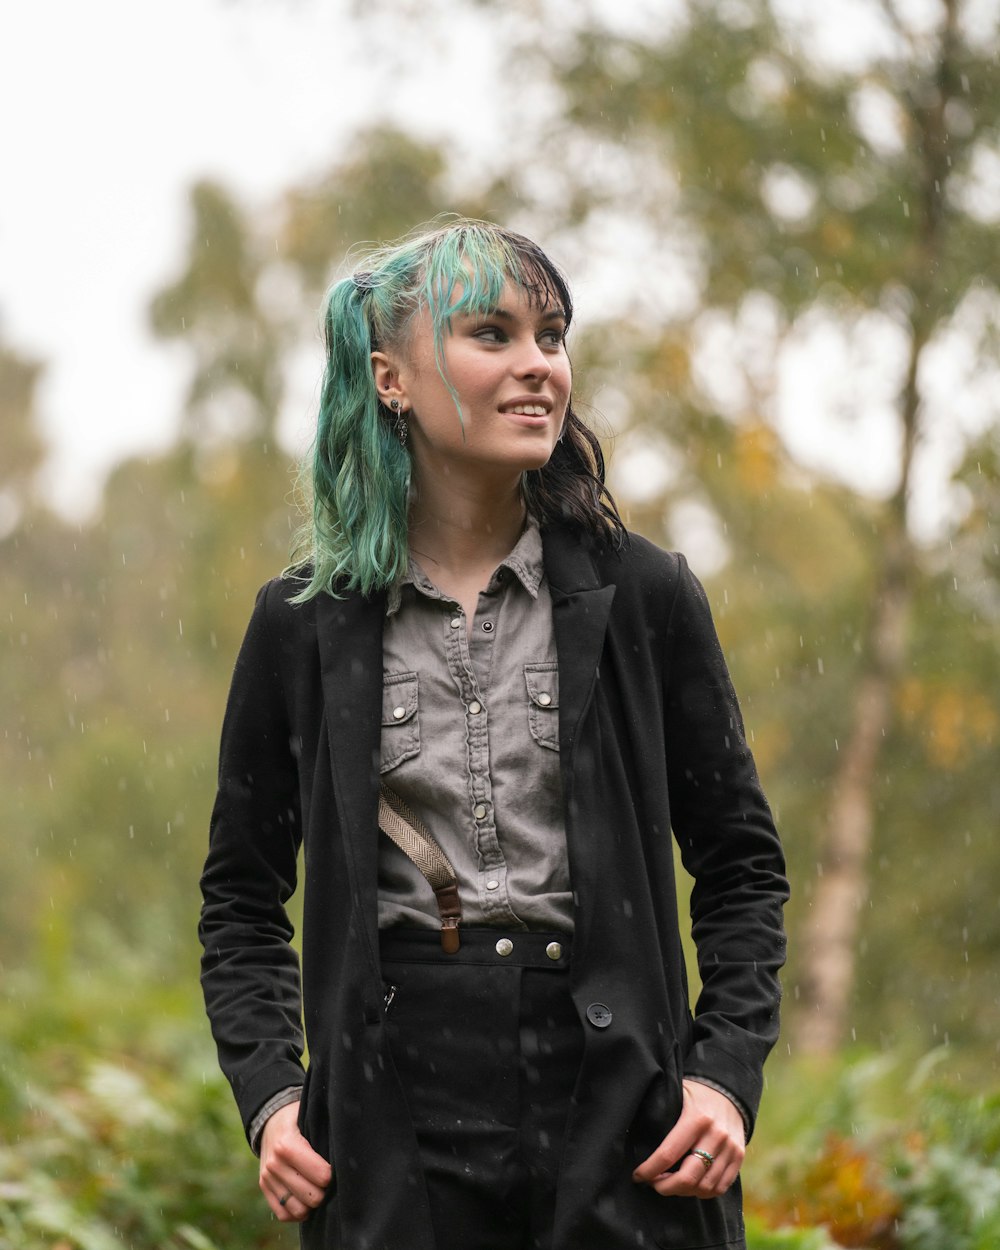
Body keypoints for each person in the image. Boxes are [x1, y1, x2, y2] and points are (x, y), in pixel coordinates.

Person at [199, 218, 788, 1250]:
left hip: (621, 1106)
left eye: (551, 336)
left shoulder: (645, 595)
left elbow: (740, 865)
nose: (538, 367)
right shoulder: (302, 622)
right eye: (492, 333)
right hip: (391, 1114)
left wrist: (724, 1074)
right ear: (391, 378)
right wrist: (271, 1090)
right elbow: (242, 897)